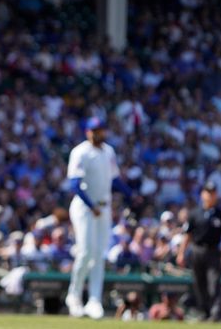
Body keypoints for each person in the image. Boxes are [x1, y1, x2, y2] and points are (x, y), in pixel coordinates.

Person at [64, 117, 132, 319]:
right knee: (85, 252)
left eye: (100, 130)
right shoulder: (80, 151)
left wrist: (131, 194)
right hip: (85, 208)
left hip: (103, 208)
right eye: (94, 130)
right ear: (87, 132)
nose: (97, 133)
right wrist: (90, 205)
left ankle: (94, 299)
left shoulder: (108, 151)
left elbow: (114, 178)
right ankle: (74, 296)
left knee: (100, 254)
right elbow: (74, 184)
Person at [176, 180, 221, 322]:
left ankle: (215, 313)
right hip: (197, 250)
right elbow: (188, 235)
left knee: (214, 283)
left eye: (213, 193)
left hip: (213, 252)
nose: (210, 195)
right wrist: (181, 253)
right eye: (207, 192)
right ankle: (205, 312)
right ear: (202, 194)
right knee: (199, 284)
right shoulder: (195, 213)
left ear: (216, 194)